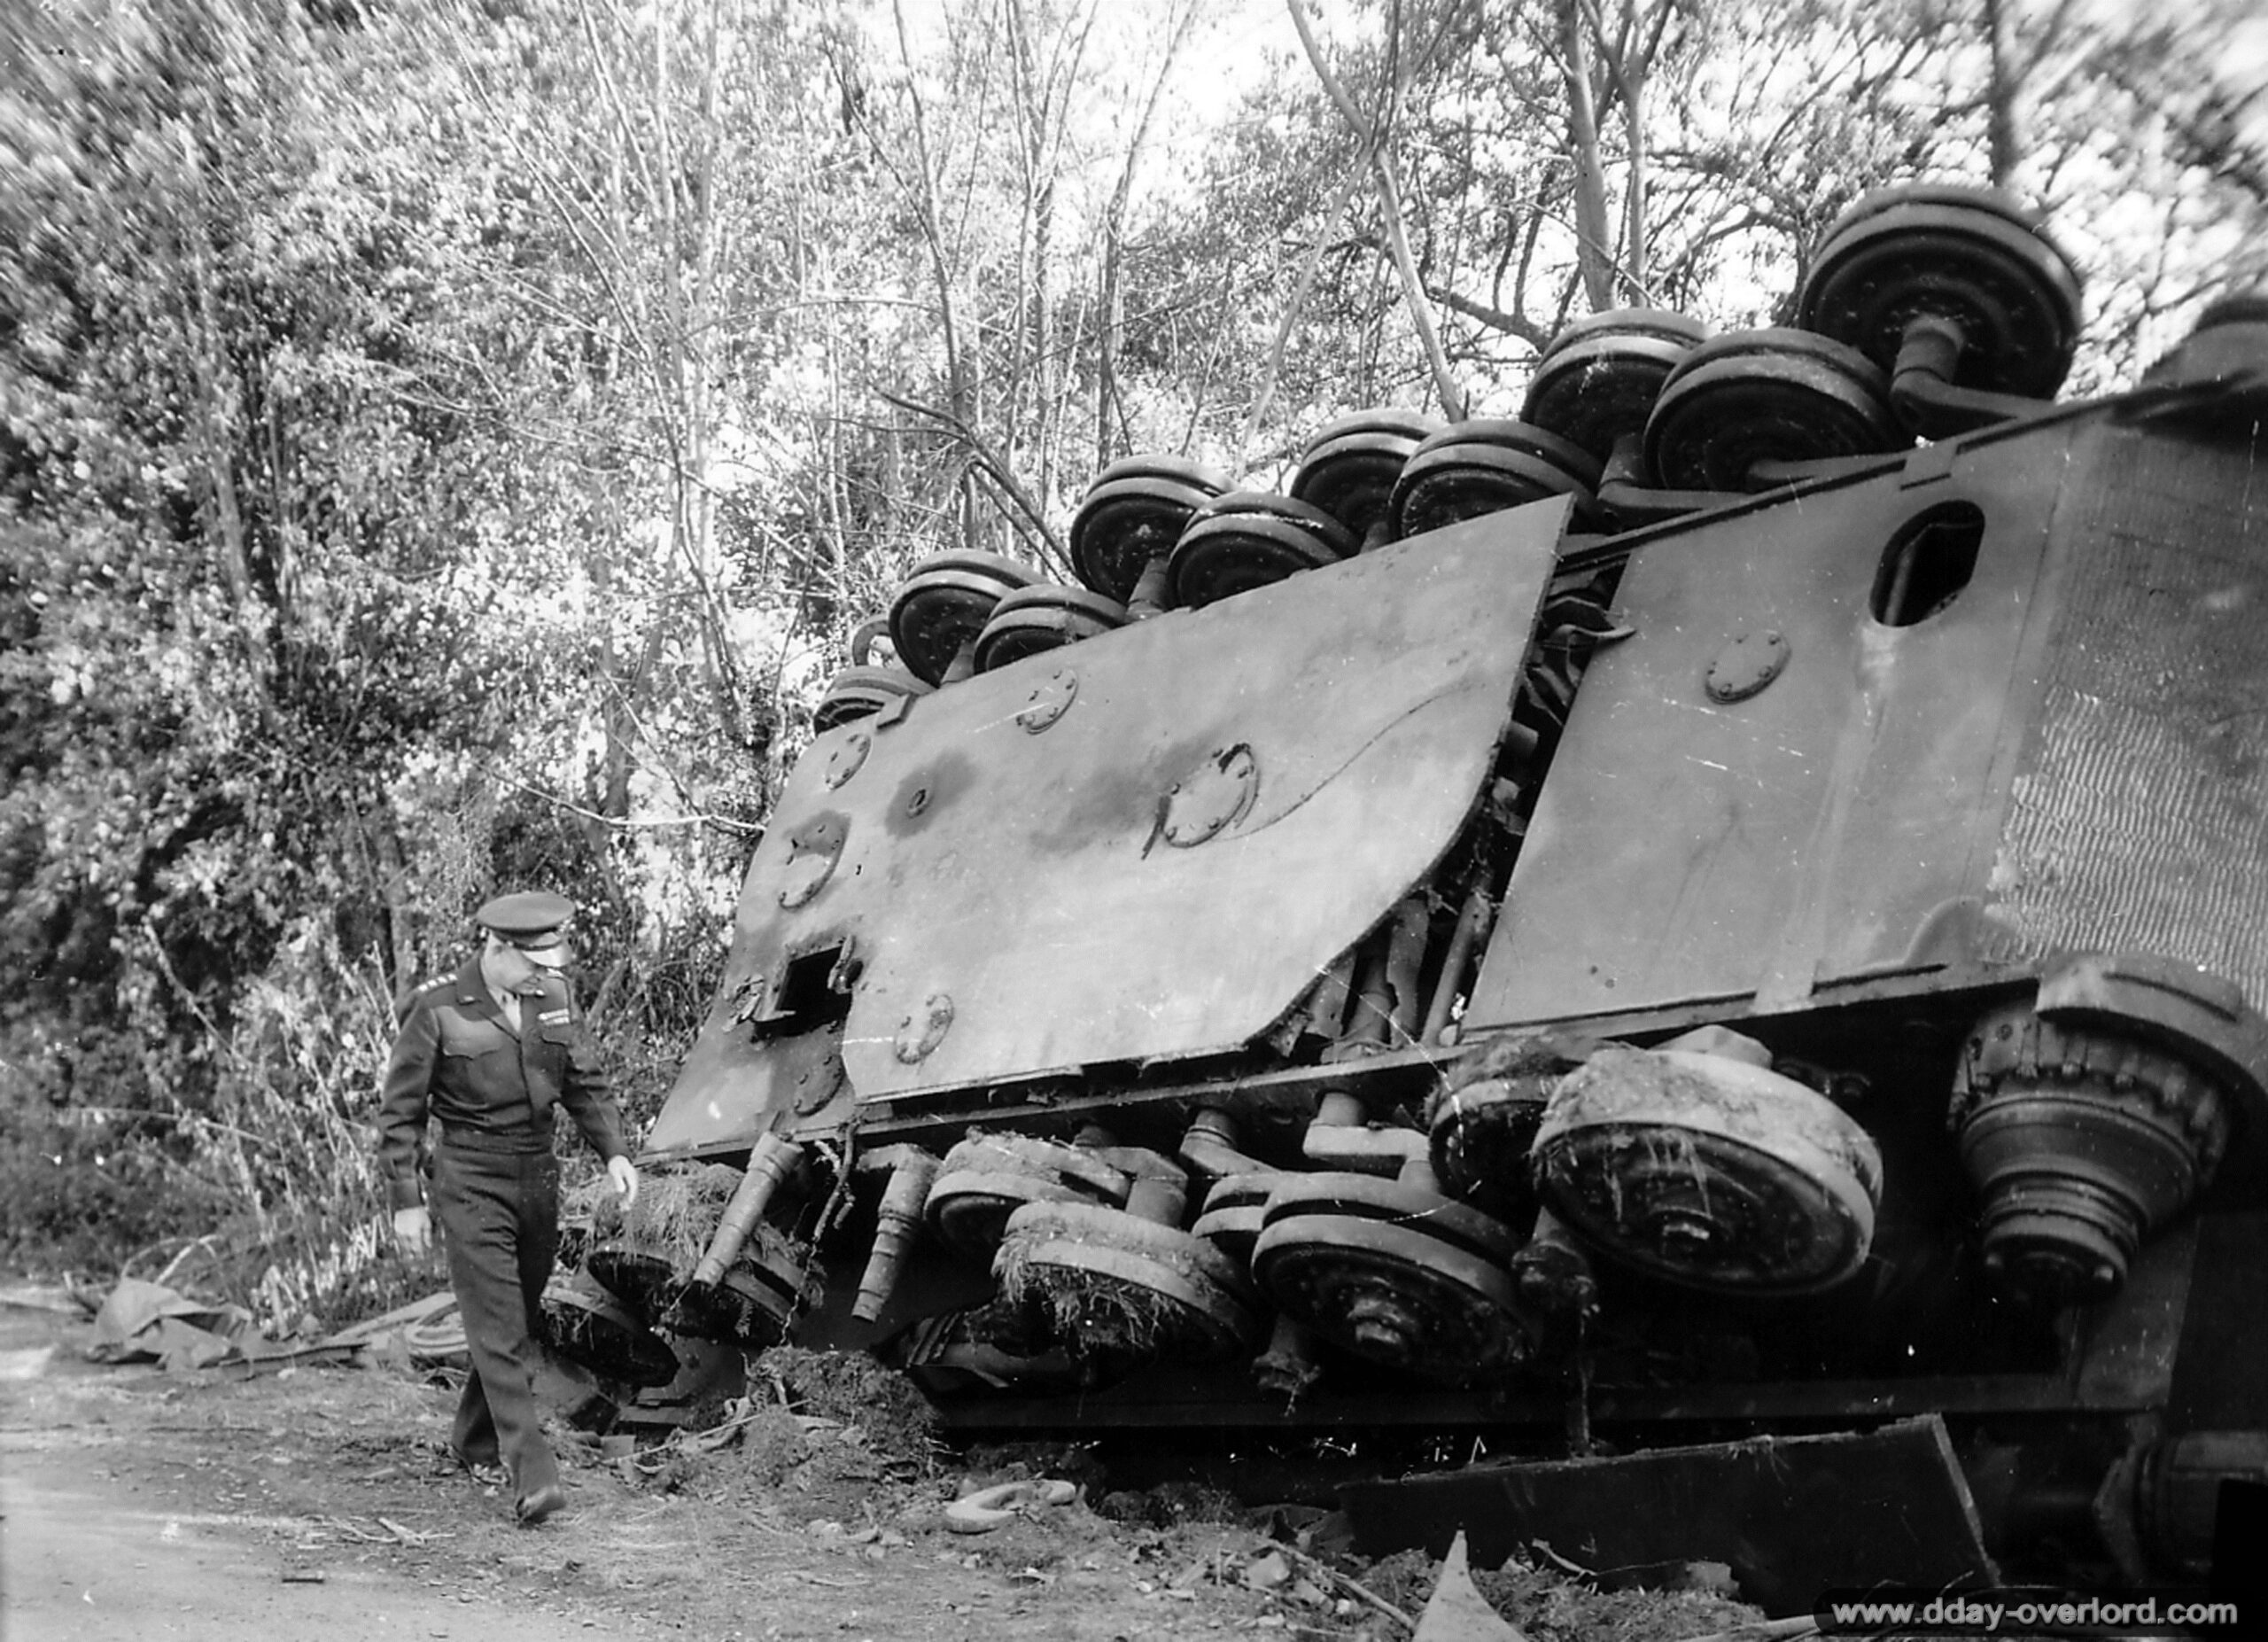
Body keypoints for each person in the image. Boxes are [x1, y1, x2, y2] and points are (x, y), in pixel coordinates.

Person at [377, 890, 640, 1526]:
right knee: (500, 1326)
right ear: (496, 948)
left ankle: (472, 1437)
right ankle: (534, 1473)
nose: (543, 974)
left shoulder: (552, 998)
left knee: (513, 1315)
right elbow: (401, 1115)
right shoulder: (437, 1008)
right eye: (532, 963)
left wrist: (614, 1153)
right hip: (469, 1176)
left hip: (536, 1178)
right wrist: (406, 1201)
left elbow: (584, 1082)